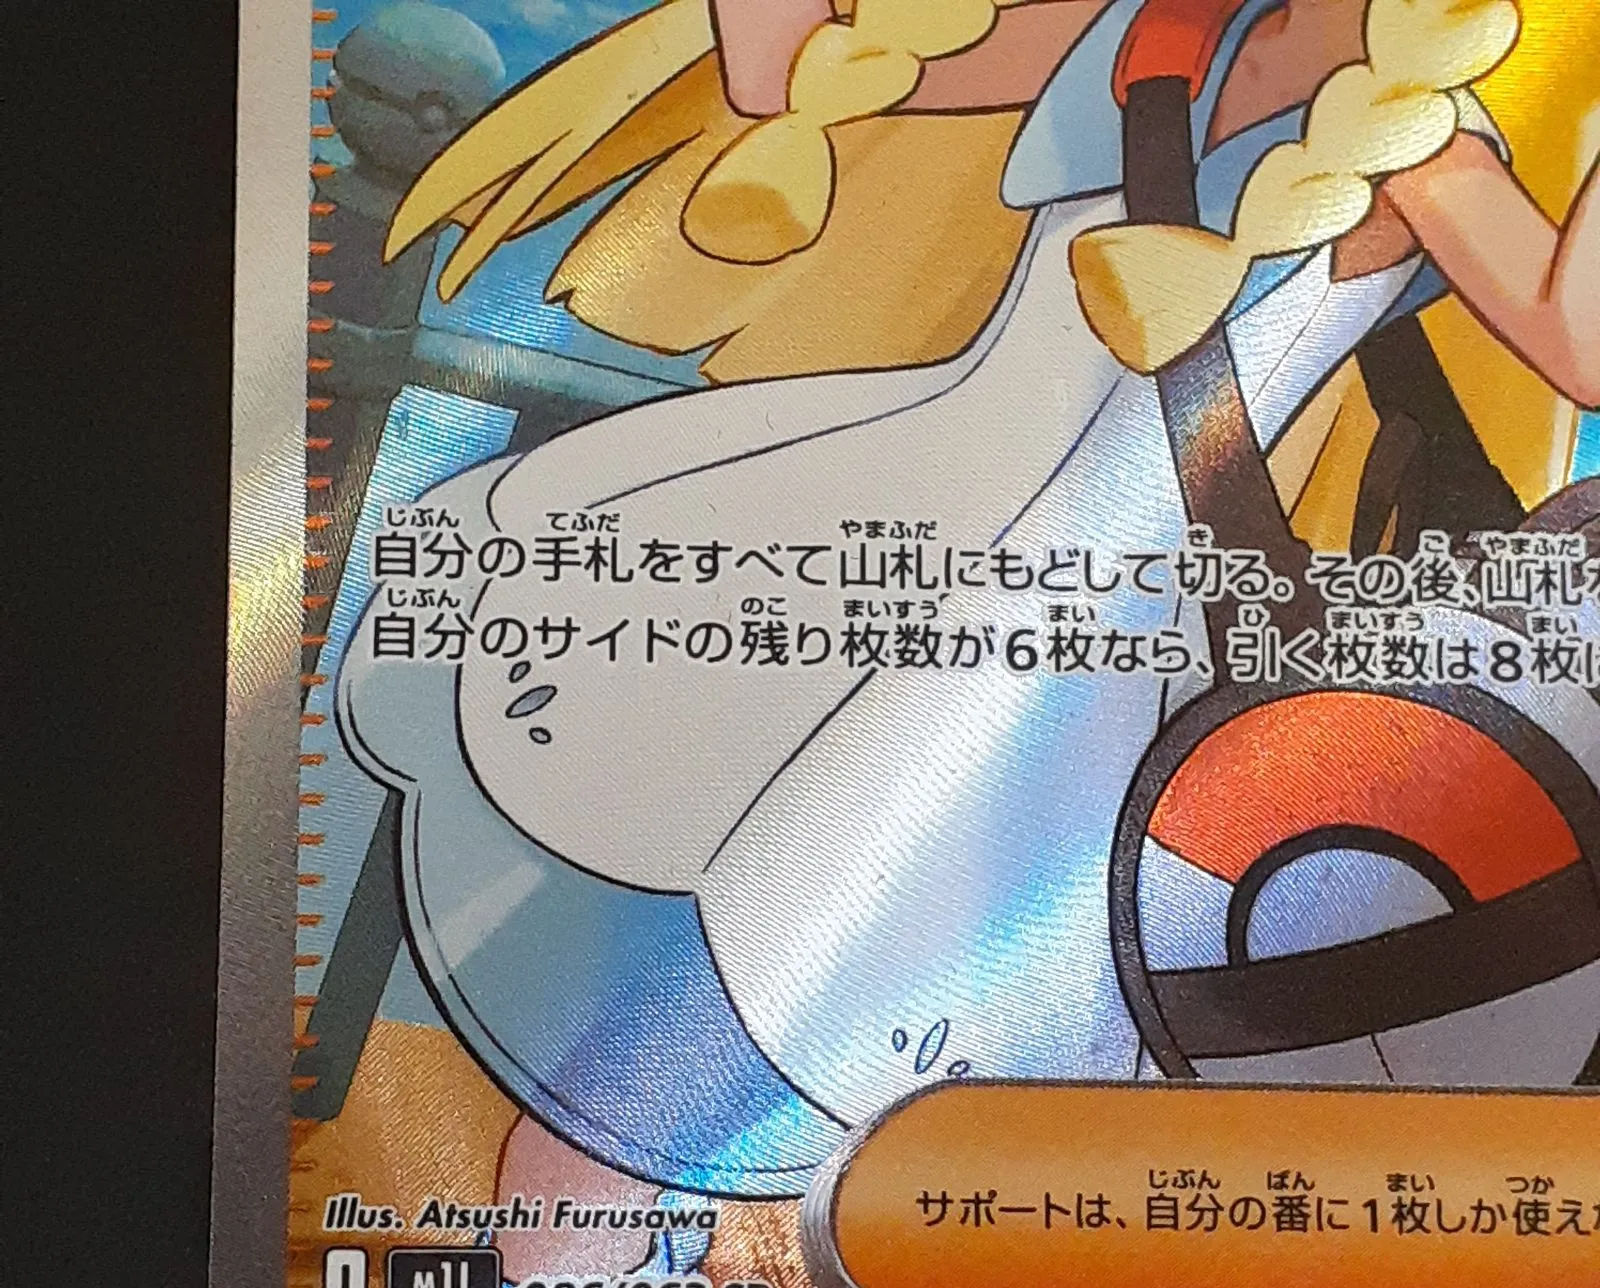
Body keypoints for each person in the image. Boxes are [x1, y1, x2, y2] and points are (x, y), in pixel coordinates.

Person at [341, 0, 1600, 1203]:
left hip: (1057, 663)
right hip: (885, 536)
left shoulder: (1416, 139)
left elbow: (1581, 348)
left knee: (743, 1054)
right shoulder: (1147, 42)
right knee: (634, 1077)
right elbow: (781, 74)